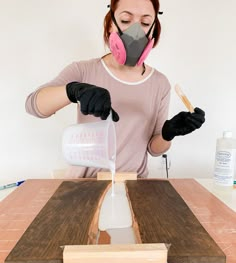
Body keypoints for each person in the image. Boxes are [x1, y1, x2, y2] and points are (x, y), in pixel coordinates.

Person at [25, 0, 205, 178]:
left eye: (145, 23)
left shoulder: (160, 83)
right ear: (111, 24)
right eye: (126, 20)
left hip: (136, 186)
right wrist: (72, 91)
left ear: (153, 29)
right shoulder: (83, 70)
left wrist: (168, 134)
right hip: (84, 186)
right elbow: (33, 106)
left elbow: (153, 149)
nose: (135, 32)